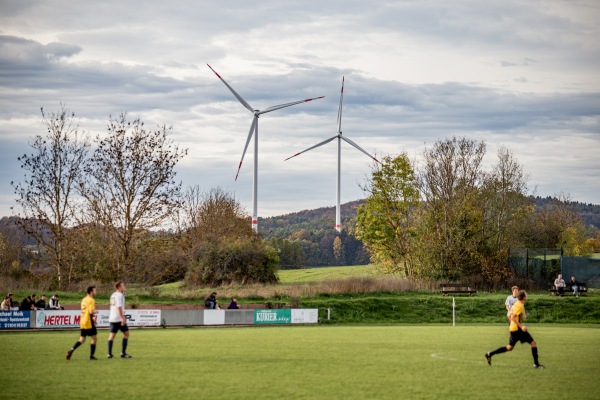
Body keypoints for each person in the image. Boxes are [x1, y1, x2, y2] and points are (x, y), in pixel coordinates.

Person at [485, 290, 544, 368]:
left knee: (509, 347)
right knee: (533, 343)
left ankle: (490, 354)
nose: (527, 296)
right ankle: (536, 364)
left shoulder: (516, 304)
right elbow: (512, 317)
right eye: (526, 295)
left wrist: (519, 319)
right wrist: (521, 326)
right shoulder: (519, 305)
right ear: (523, 297)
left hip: (513, 329)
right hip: (517, 329)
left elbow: (509, 316)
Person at [66, 286, 99, 361]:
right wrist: (96, 311)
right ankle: (92, 356)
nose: (96, 291)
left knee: (82, 339)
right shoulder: (91, 300)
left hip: (83, 320)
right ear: (91, 292)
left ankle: (71, 350)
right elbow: (90, 311)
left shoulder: (83, 299)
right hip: (88, 321)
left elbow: (86, 310)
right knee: (94, 338)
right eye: (95, 290)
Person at [107, 281, 132, 359]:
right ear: (119, 287)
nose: (124, 286)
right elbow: (119, 307)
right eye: (123, 285)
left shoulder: (113, 295)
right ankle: (123, 353)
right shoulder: (119, 295)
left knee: (111, 336)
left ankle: (109, 354)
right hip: (118, 318)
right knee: (126, 334)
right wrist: (122, 318)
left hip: (112, 318)